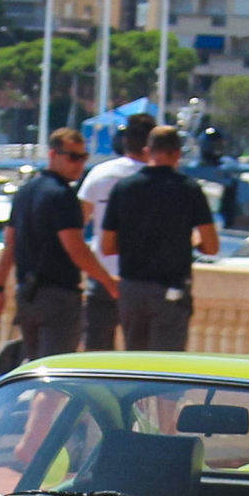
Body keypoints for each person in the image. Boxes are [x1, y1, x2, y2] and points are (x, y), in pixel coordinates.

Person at [0, 127, 118, 363]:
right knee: (54, 374)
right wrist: (107, 281)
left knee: (36, 370)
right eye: (72, 157)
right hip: (58, 299)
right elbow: (75, 247)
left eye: (83, 157)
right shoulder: (63, 195)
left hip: (27, 295)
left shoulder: (25, 191)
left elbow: (10, 244)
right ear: (52, 155)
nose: (79, 164)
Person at [100, 124, 218, 351]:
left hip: (132, 290)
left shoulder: (124, 188)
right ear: (177, 153)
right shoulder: (189, 189)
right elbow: (212, 246)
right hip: (170, 290)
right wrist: (192, 242)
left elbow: (107, 246)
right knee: (166, 367)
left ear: (147, 151)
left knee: (135, 364)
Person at [75, 113, 153, 349]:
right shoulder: (157, 180)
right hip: (142, 280)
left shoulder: (100, 174)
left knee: (96, 353)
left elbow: (77, 224)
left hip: (101, 274)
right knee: (141, 359)